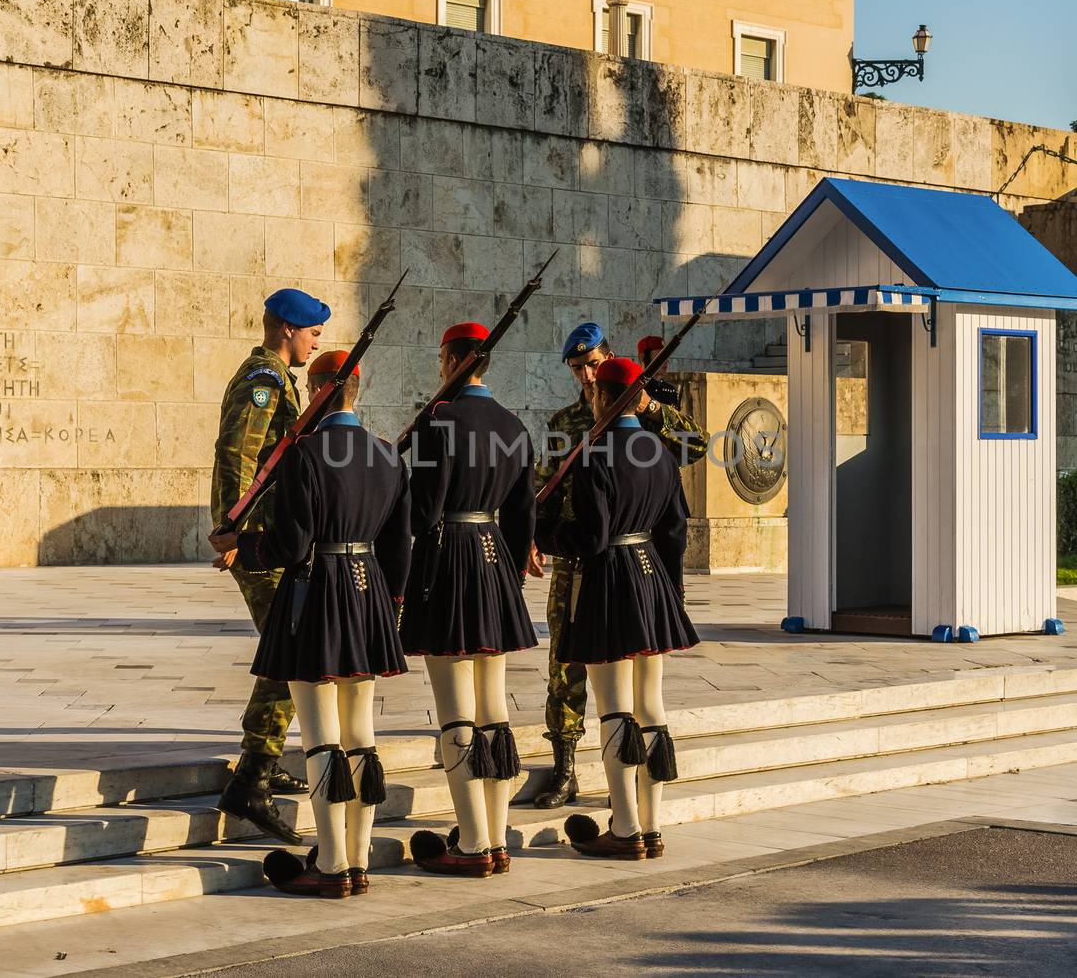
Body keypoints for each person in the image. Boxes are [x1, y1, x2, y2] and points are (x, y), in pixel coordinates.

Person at [210, 350, 411, 899]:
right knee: (361, 738)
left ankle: (332, 864)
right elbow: (398, 550)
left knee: (323, 738)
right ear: (356, 391)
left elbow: (289, 544)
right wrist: (389, 609)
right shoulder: (388, 455)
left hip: (317, 593)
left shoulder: (303, 454)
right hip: (369, 595)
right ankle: (360, 857)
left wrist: (241, 545)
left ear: (318, 390)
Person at [528, 322, 706, 810]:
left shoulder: (639, 412)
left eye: (592, 365)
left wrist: (650, 406)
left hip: (624, 562)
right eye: (577, 368)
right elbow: (544, 485)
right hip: (575, 561)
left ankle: (626, 787)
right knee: (565, 664)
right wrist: (533, 533)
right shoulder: (566, 424)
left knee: (630, 682)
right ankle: (565, 767)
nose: (586, 375)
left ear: (608, 360)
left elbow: (697, 448)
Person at [400, 322, 537, 877]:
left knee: (457, 710)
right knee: (493, 709)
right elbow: (523, 513)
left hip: (449, 558)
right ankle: (496, 836)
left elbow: (423, 511)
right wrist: (514, 572)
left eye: (441, 361)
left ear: (452, 361)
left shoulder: (439, 423)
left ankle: (474, 844)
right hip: (495, 557)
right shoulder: (514, 425)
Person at [208, 288, 329, 840]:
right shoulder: (263, 382)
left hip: (268, 536)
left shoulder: (279, 380)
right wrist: (232, 528)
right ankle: (250, 782)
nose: (315, 341)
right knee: (292, 646)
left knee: (291, 644)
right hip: (256, 538)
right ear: (286, 329)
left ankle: (262, 755)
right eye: (311, 333)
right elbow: (238, 453)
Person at [635, 334, 681, 407]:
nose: (666, 361)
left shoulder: (670, 391)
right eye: (661, 356)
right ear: (643, 358)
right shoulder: (635, 389)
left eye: (666, 356)